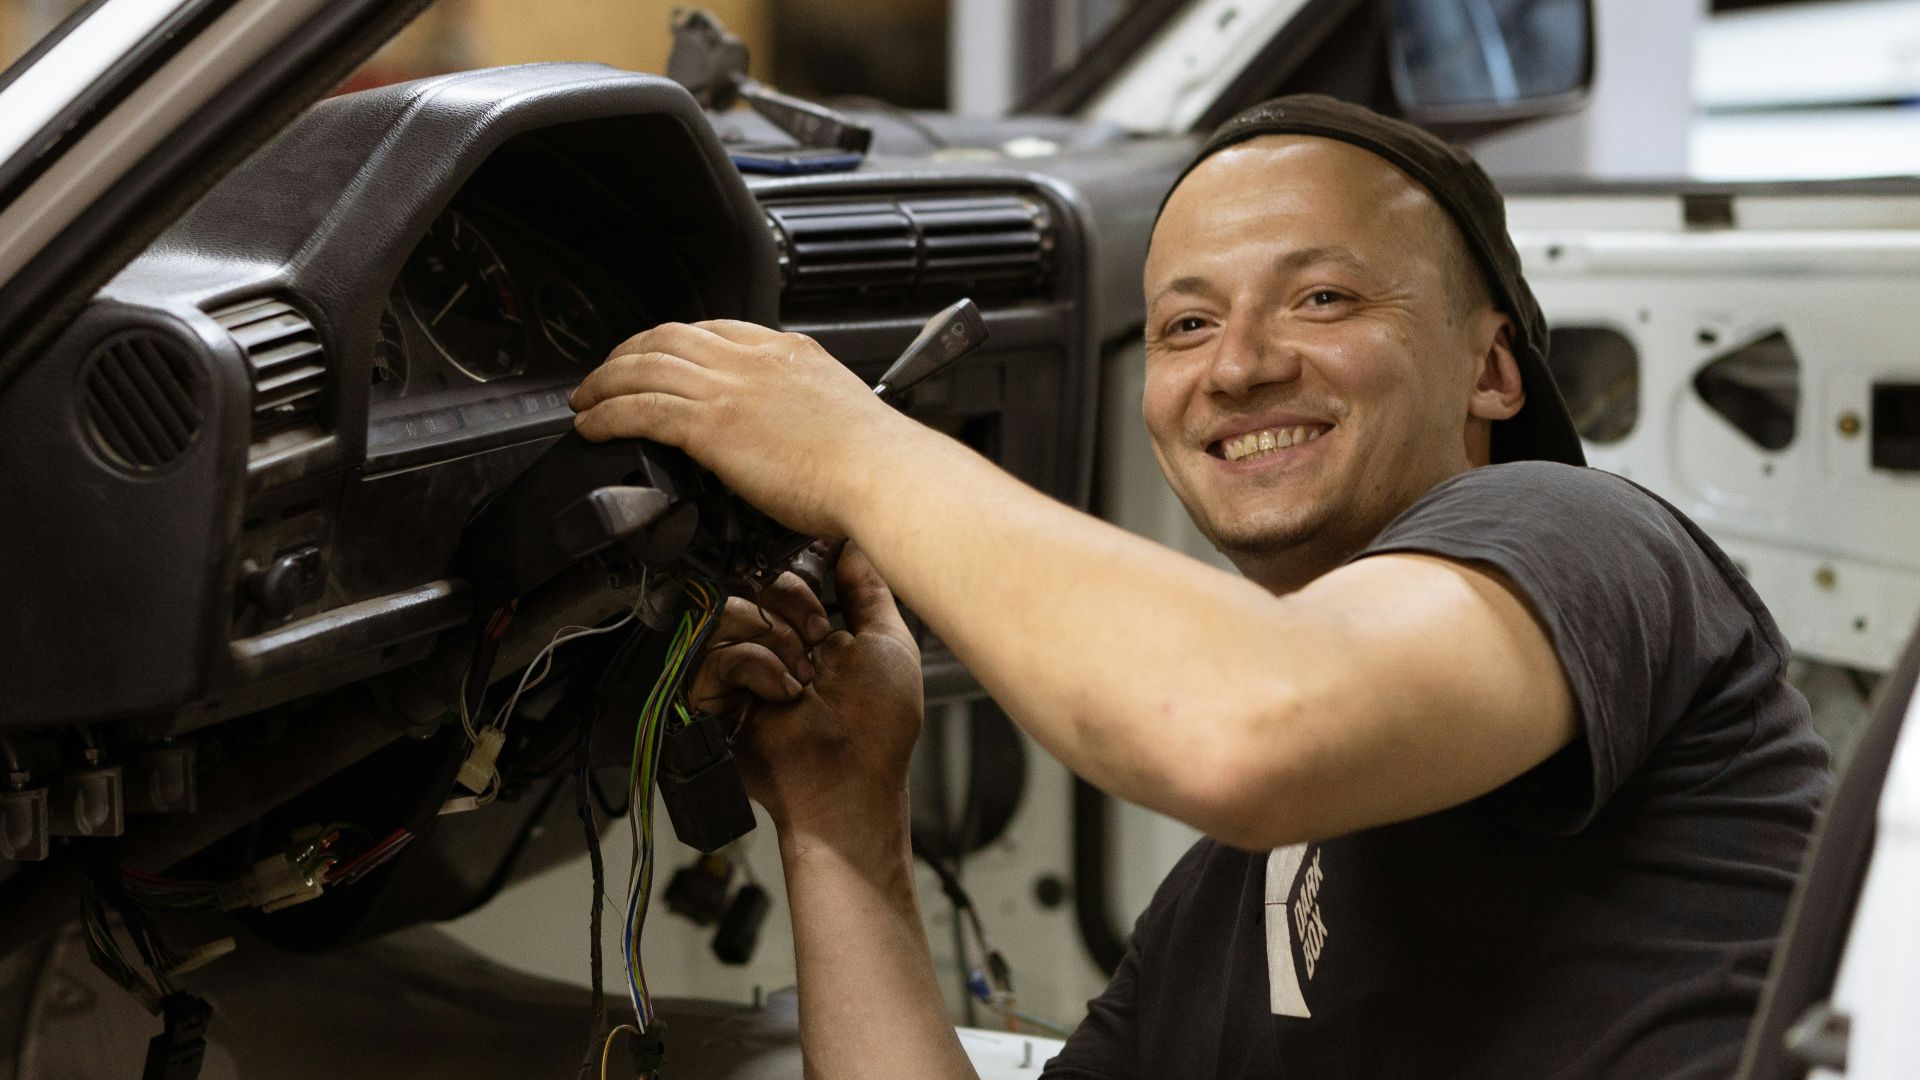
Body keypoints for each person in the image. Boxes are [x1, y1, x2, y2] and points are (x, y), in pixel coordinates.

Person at [568, 96, 1832, 1079]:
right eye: (1184, 325)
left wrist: (850, 450)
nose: (1237, 367)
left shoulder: (1581, 531)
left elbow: (1247, 726)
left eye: (1323, 297)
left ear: (1492, 370)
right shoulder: (1224, 913)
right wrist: (841, 823)